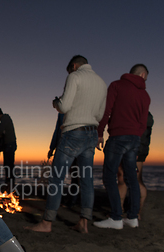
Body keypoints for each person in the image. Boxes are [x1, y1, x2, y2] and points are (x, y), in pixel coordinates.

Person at [26, 55, 107, 234]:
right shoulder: (102, 83)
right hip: (91, 133)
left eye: (70, 69)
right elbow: (101, 115)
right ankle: (84, 222)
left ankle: (47, 223)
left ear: (74, 66)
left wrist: (56, 102)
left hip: (74, 132)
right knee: (86, 180)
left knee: (57, 178)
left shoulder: (75, 77)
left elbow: (64, 106)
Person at [94, 64, 151, 230]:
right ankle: (132, 217)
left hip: (118, 136)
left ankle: (116, 218)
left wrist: (99, 132)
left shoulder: (117, 85)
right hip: (134, 139)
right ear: (142, 74)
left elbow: (107, 110)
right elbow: (143, 122)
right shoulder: (145, 95)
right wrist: (136, 135)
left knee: (109, 176)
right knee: (131, 178)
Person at [117, 111, 154, 219]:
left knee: (125, 178)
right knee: (129, 179)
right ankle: (130, 211)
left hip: (133, 149)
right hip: (139, 149)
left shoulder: (138, 113)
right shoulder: (146, 113)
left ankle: (133, 212)